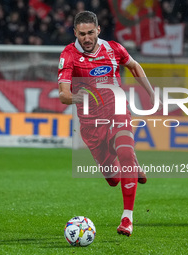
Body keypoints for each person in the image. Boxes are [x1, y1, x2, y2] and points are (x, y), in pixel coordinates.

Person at [58, 11, 155, 237]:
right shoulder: (69, 55)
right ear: (75, 33)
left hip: (117, 109)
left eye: (91, 32)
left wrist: (150, 92)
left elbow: (134, 66)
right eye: (82, 34)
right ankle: (128, 159)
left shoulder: (113, 48)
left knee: (125, 153)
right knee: (113, 179)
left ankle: (127, 218)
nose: (87, 38)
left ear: (98, 30)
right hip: (91, 126)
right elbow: (63, 94)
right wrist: (76, 97)